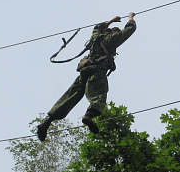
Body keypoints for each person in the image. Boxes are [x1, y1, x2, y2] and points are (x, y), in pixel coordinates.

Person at [37, 12, 136, 141]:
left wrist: (111, 20)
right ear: (114, 33)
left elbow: (96, 27)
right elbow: (130, 29)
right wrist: (131, 17)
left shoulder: (96, 39)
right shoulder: (113, 39)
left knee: (69, 96)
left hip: (84, 71)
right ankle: (88, 116)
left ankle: (46, 123)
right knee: (99, 94)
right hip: (97, 71)